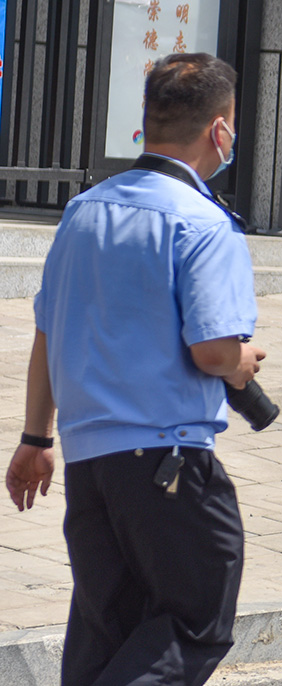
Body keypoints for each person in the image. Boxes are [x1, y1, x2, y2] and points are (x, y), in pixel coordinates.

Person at [5, 52, 264, 685]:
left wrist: (36, 439)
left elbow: (48, 331)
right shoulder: (205, 224)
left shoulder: (84, 210)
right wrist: (242, 362)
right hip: (168, 463)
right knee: (194, 622)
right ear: (221, 131)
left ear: (146, 122)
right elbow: (212, 351)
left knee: (105, 632)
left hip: (90, 466)